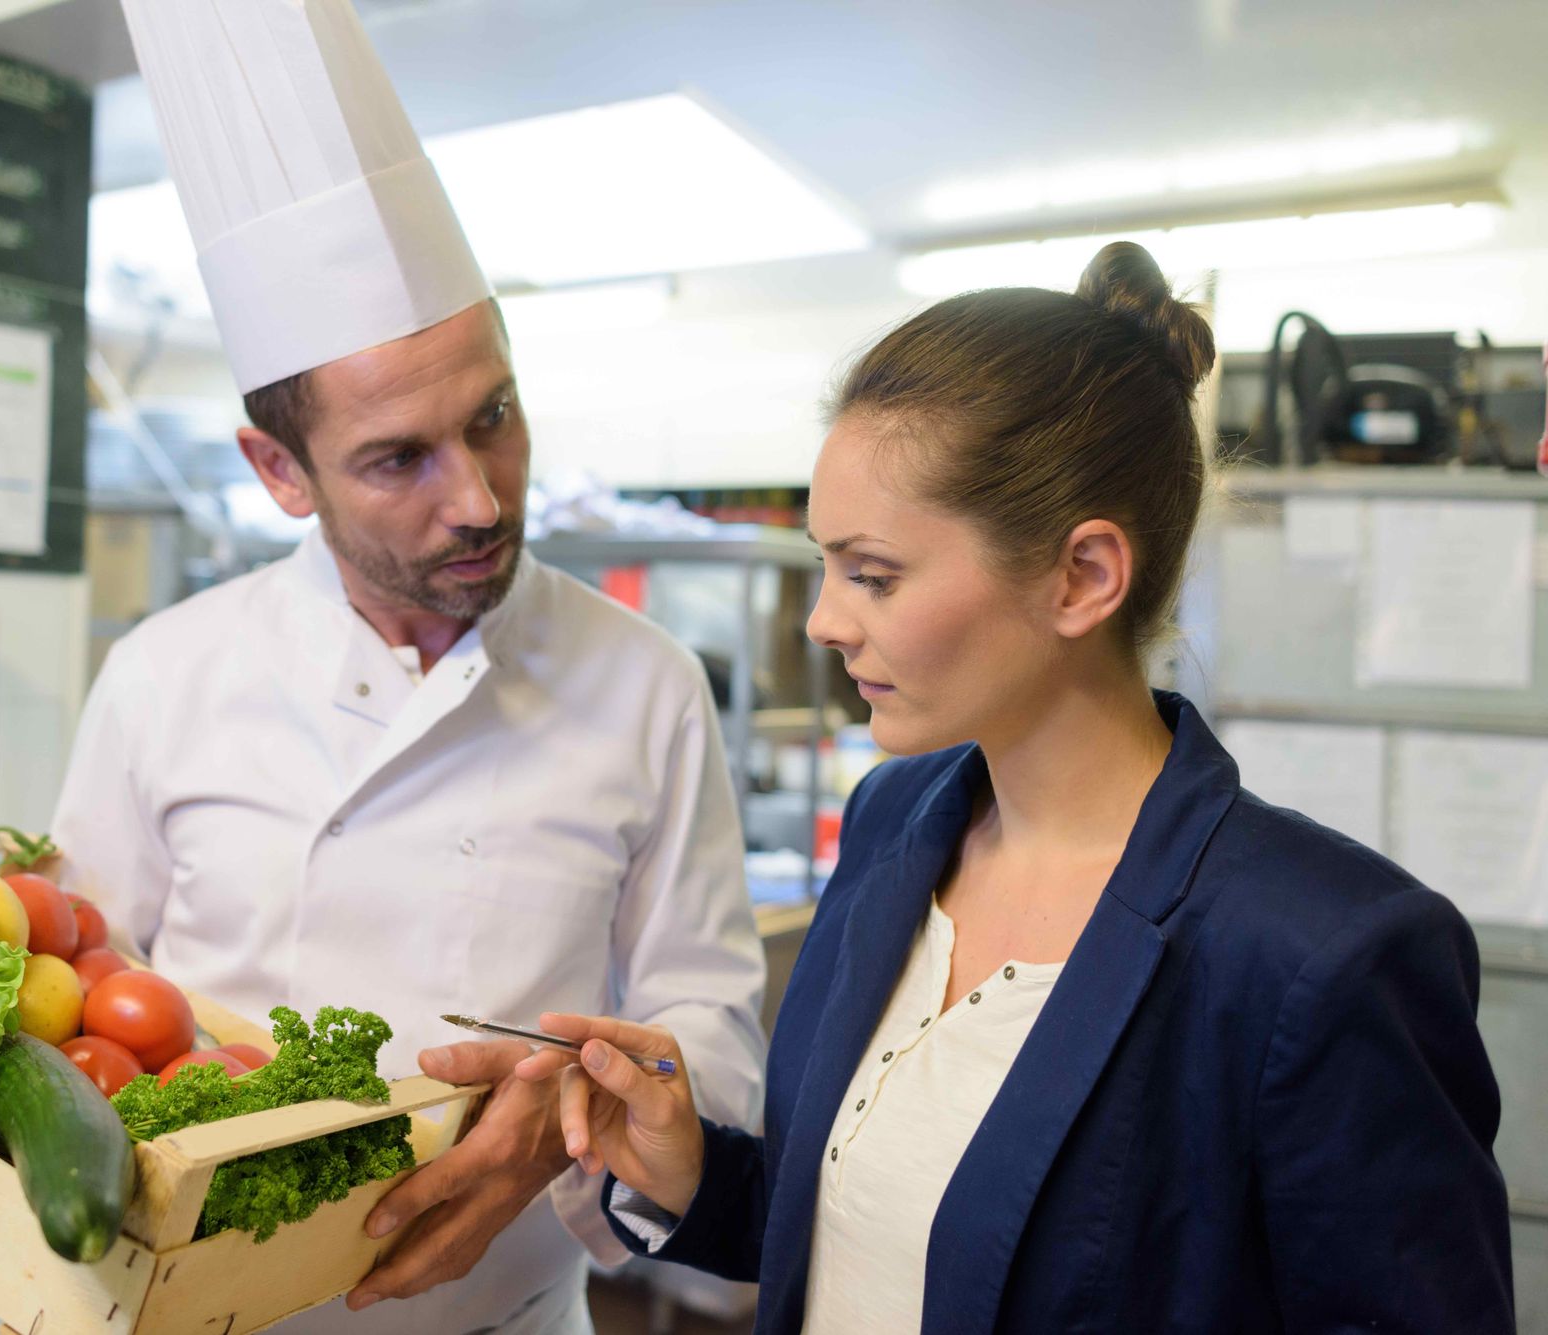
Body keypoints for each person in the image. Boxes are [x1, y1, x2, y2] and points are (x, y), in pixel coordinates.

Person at [481, 241, 1515, 1332]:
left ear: (1081, 577)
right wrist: (689, 1170)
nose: (822, 620)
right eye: (823, 565)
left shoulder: (1321, 955)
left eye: (872, 575)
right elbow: (859, 1235)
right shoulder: (894, 827)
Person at [53, 3, 767, 1332]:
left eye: (492, 416)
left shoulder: (646, 683)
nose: (482, 497)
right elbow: (83, 997)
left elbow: (709, 1030)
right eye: (400, 458)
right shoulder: (166, 677)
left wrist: (563, 1125)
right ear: (280, 471)